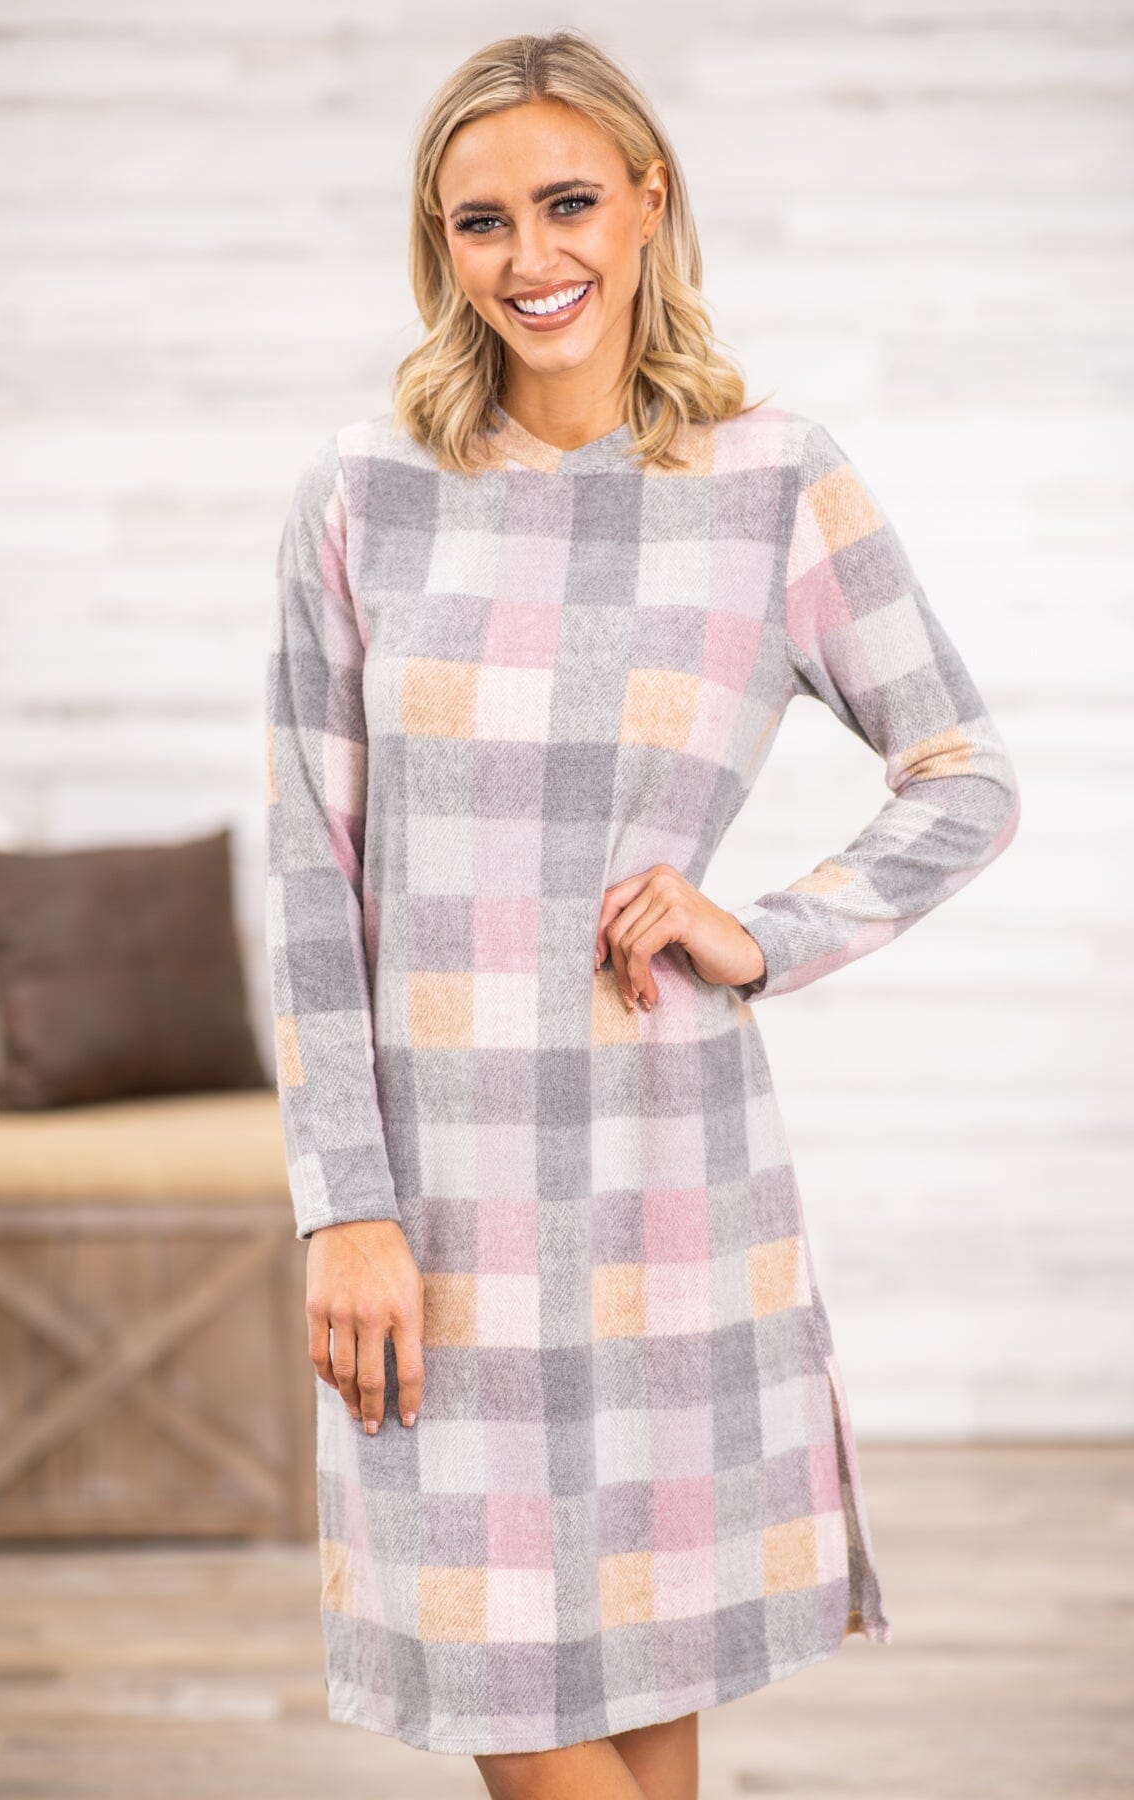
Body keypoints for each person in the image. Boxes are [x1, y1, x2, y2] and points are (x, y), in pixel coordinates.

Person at [264, 29, 1020, 1799]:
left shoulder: (774, 480)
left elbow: (965, 772)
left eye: (569, 203)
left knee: (641, 1696)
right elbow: (313, 870)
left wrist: (769, 929)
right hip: (435, 1206)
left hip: (665, 1184)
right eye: (481, 222)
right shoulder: (363, 494)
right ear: (439, 244)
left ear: (649, 200)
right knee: (521, 1717)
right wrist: (343, 1204)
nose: (531, 258)